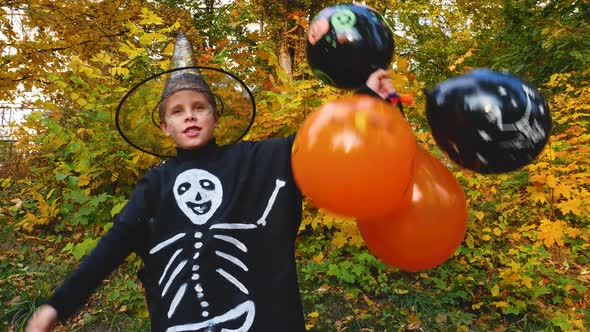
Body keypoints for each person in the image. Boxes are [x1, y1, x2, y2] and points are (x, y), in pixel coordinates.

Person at [26, 32, 397, 332]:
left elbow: (317, 142)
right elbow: (110, 248)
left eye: (199, 107)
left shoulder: (261, 160)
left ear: (215, 115)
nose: (189, 117)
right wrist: (56, 306)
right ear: (165, 126)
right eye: (177, 111)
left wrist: (367, 97)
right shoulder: (155, 186)